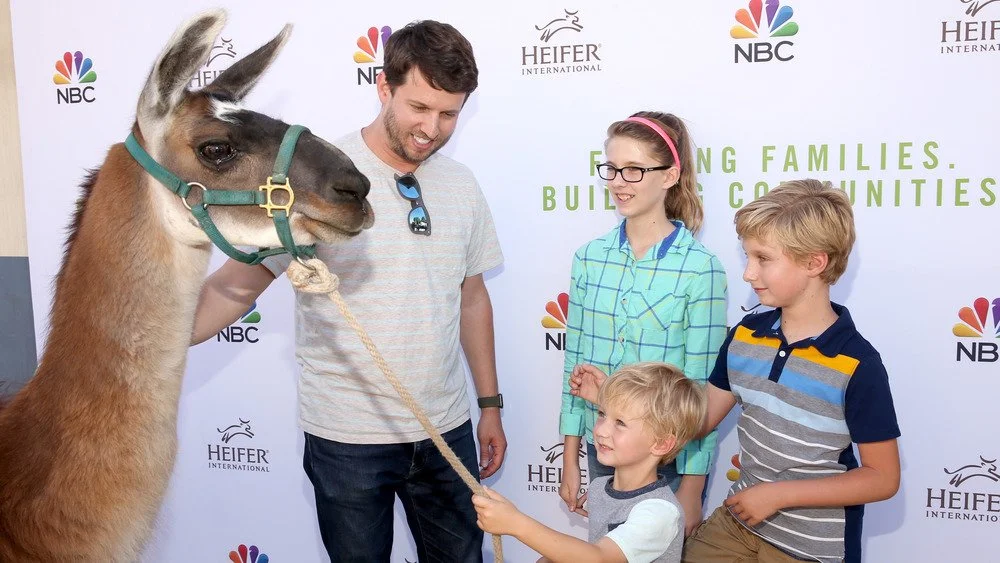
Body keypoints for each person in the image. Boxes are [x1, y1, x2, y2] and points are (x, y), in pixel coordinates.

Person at [190, 21, 505, 563]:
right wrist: (146, 340)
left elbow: (472, 298)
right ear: (384, 87)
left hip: (445, 430)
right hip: (347, 441)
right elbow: (233, 290)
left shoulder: (462, 185)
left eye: (448, 113)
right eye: (419, 107)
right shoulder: (316, 177)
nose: (432, 127)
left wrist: (490, 405)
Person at [682, 179, 901, 562]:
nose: (748, 273)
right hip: (735, 525)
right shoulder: (745, 335)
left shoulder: (858, 364)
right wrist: (615, 397)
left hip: (812, 549)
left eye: (763, 258)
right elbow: (699, 419)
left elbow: (883, 478)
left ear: (815, 263)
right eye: (747, 256)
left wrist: (780, 494)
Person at [558, 112, 728, 536]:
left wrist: (692, 488)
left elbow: (701, 391)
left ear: (670, 174)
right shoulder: (588, 258)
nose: (618, 182)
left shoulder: (700, 269)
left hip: (665, 462)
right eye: (612, 169)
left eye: (634, 170)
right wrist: (570, 459)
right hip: (602, 453)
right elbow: (574, 368)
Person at [475, 362, 707, 563]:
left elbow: (600, 558)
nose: (602, 431)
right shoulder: (599, 488)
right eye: (602, 414)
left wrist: (517, 524)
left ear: (661, 444)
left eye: (620, 423)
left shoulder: (659, 513)